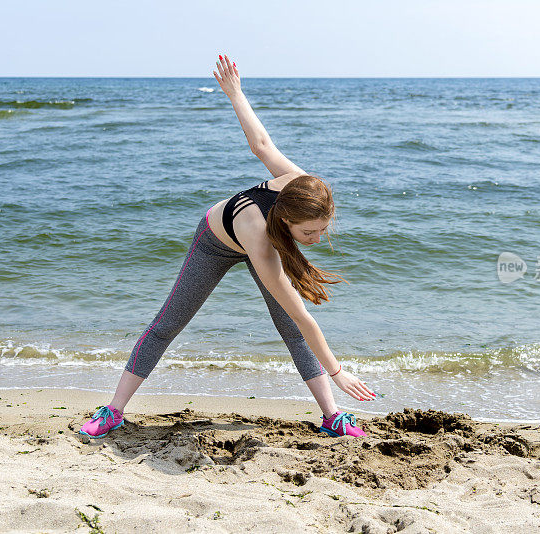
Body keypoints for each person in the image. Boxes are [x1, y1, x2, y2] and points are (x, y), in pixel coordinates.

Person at [79, 54, 376, 440]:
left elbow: (261, 143)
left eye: (322, 230)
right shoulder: (261, 239)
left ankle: (332, 416)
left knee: (289, 328)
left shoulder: (302, 185)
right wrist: (339, 372)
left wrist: (236, 92)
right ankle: (114, 410)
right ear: (286, 221)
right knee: (167, 325)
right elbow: (306, 317)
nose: (317, 240)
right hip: (214, 243)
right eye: (309, 233)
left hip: (260, 236)